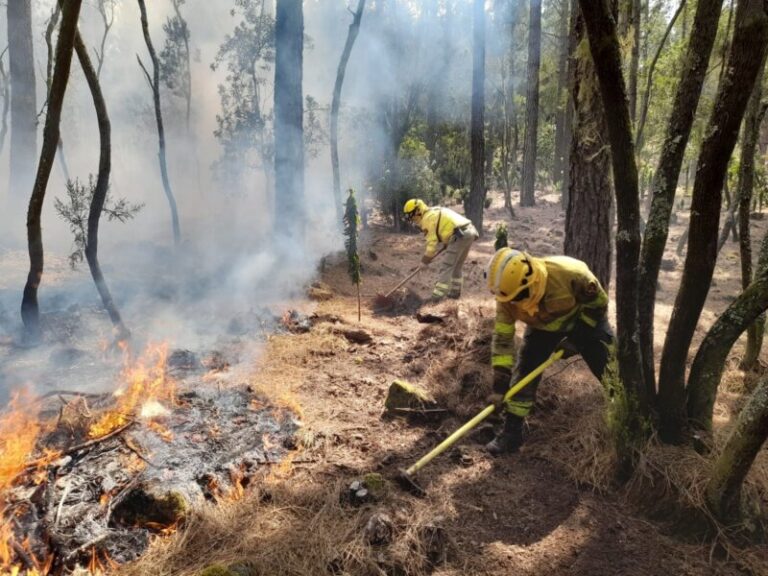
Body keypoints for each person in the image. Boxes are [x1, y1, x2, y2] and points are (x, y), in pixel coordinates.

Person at [484, 247, 615, 455]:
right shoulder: (506, 299)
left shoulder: (572, 274)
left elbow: (599, 304)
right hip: (541, 328)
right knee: (524, 374)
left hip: (585, 322)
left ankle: (629, 421)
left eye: (519, 296)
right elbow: (502, 341)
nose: (514, 303)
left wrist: (577, 339)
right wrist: (500, 387)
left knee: (612, 374)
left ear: (531, 282)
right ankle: (511, 434)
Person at [402, 199, 479, 301]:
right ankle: (455, 293)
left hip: (459, 235)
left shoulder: (427, 219)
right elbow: (446, 226)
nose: (412, 218)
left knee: (446, 266)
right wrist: (447, 243)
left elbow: (431, 245)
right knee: (457, 266)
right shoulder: (434, 211)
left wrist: (424, 261)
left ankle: (437, 297)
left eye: (411, 215)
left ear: (418, 211)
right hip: (469, 232)